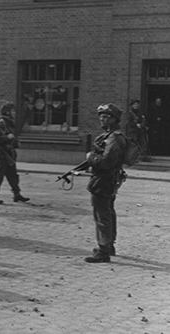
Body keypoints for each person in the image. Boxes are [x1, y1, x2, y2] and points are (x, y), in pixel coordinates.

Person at [84, 103, 127, 263]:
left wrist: (90, 157)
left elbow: (106, 162)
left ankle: (103, 250)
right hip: (109, 180)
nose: (102, 119)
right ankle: (109, 245)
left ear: (114, 119)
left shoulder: (114, 138)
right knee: (108, 212)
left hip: (104, 180)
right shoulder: (112, 136)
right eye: (101, 116)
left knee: (102, 215)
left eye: (106, 116)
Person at [0, 102, 29, 203]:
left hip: (9, 154)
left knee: (13, 176)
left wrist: (15, 143)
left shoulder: (9, 123)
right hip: (3, 154)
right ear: (7, 112)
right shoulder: (2, 122)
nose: (14, 113)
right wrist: (7, 138)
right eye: (12, 111)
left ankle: (17, 194)